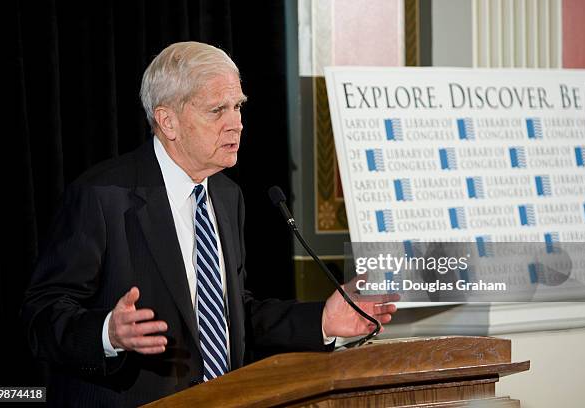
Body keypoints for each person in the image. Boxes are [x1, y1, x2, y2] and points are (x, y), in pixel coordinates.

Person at [21, 41, 397, 407]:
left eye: (238, 107)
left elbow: (231, 314)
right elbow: (42, 315)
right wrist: (108, 332)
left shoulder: (226, 194)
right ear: (168, 121)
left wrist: (322, 320)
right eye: (217, 110)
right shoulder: (102, 196)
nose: (236, 124)